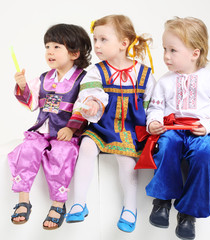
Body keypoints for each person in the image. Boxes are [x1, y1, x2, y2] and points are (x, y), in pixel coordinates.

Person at [65, 14, 155, 233]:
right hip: (102, 125)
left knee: (126, 160)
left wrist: (153, 124)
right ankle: (79, 202)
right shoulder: (97, 71)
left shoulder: (143, 73)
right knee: (86, 147)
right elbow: (90, 93)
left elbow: (151, 105)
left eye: (103, 39)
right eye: (95, 40)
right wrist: (92, 104)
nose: (97, 45)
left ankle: (130, 208)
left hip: (130, 129)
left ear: (124, 44)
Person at [144, 17, 210, 240]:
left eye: (173, 50)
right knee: (166, 146)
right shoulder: (164, 81)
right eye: (165, 49)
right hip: (171, 128)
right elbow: (155, 107)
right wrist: (154, 122)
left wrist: (208, 125)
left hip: (198, 131)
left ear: (195, 52)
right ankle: (162, 202)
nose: (166, 56)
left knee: (206, 154)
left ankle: (188, 213)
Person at [7, 23, 92, 230]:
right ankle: (23, 200)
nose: (49, 52)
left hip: (66, 134)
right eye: (47, 46)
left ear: (74, 53)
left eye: (56, 47)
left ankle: (58, 204)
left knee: (62, 155)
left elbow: (86, 104)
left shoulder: (84, 78)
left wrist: (71, 128)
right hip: (43, 131)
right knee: (26, 150)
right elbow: (31, 102)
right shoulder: (44, 78)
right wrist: (22, 85)